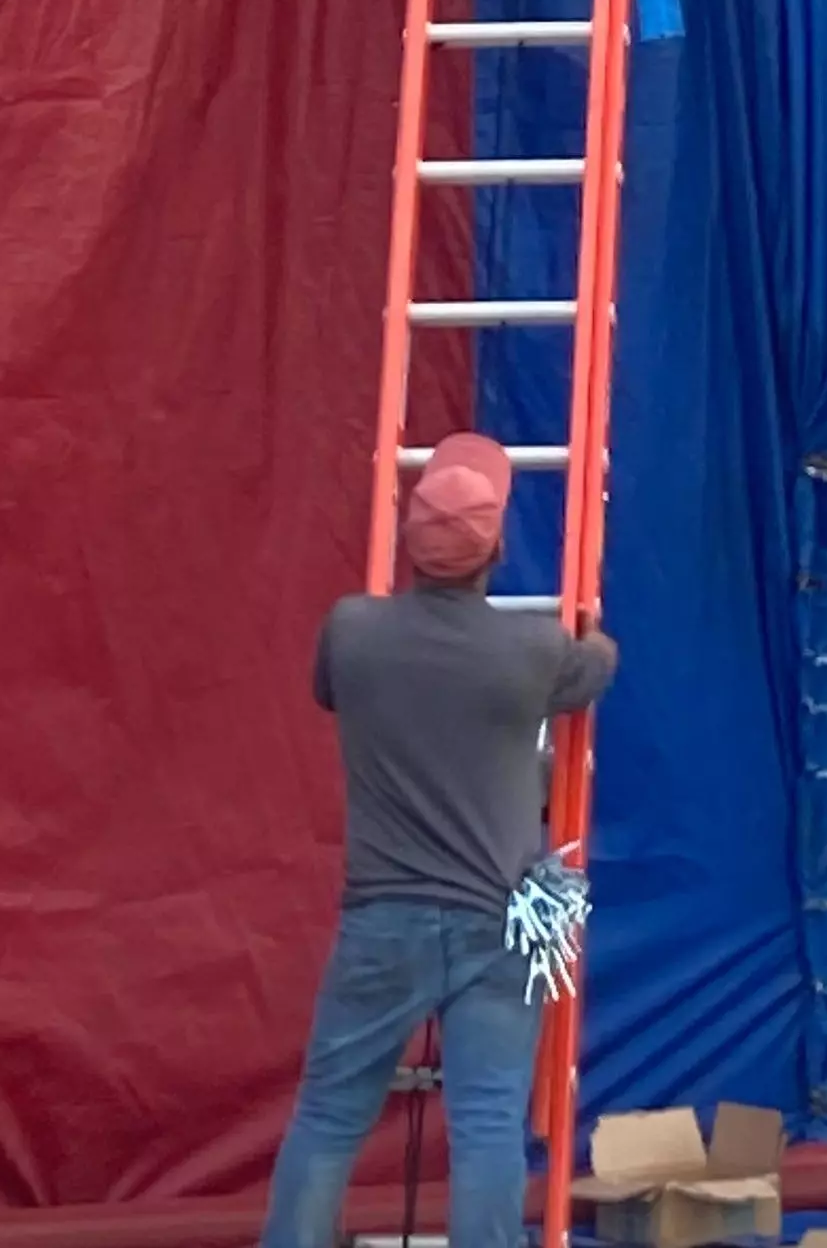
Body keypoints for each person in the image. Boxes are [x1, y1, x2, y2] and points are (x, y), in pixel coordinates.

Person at [259, 435, 620, 1248]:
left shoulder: (352, 633)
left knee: (327, 1115)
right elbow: (597, 665)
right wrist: (591, 636)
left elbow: (326, 689)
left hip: (383, 918)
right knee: (490, 1124)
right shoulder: (531, 652)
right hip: (503, 917)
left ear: (407, 542)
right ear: (494, 547)